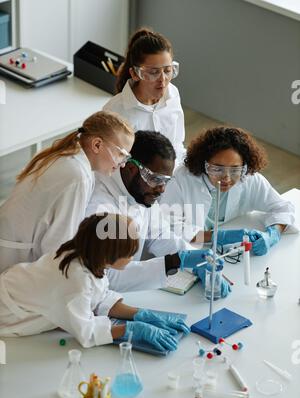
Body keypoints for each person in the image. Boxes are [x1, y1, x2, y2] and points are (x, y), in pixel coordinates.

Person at [0, 213, 190, 352]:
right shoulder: (74, 280)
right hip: (9, 314)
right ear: (109, 253)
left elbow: (99, 296)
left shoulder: (86, 256)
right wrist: (130, 329)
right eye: (129, 253)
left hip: (18, 289)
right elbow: (87, 333)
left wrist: (142, 314)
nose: (132, 258)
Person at [86, 130, 231, 297]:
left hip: (129, 291)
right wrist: (173, 262)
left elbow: (159, 235)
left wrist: (196, 261)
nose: (161, 189)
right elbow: (108, 276)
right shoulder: (100, 207)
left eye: (166, 181)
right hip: (97, 301)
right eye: (156, 179)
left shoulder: (140, 191)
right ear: (132, 168)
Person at [0, 111, 134, 274]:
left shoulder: (72, 159)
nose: (122, 164)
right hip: (10, 265)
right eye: (121, 154)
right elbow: (58, 249)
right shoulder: (77, 176)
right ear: (97, 145)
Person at [160, 126, 298, 256]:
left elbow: (283, 208)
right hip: (189, 251)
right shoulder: (181, 180)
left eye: (235, 169)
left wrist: (273, 234)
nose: (226, 177)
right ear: (204, 163)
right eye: (217, 168)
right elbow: (169, 228)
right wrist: (216, 236)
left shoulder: (249, 179)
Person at [103, 28, 186, 164]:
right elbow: (110, 164)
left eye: (167, 70)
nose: (163, 79)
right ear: (135, 74)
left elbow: (177, 145)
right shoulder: (114, 112)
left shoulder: (173, 94)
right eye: (154, 72)